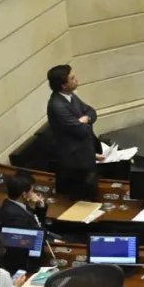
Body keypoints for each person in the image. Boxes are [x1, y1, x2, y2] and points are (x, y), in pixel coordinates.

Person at [46, 64, 101, 201]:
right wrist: (84, 122)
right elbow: (81, 130)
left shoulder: (70, 97)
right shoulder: (57, 106)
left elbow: (91, 111)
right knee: (83, 198)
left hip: (85, 154)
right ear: (64, 85)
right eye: (72, 78)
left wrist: (85, 119)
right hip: (75, 162)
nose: (76, 79)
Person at [0, 173, 48, 273]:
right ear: (24, 194)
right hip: (24, 259)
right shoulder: (14, 216)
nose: (34, 193)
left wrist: (40, 205)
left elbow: (36, 221)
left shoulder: (16, 204)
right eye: (32, 191)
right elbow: (28, 241)